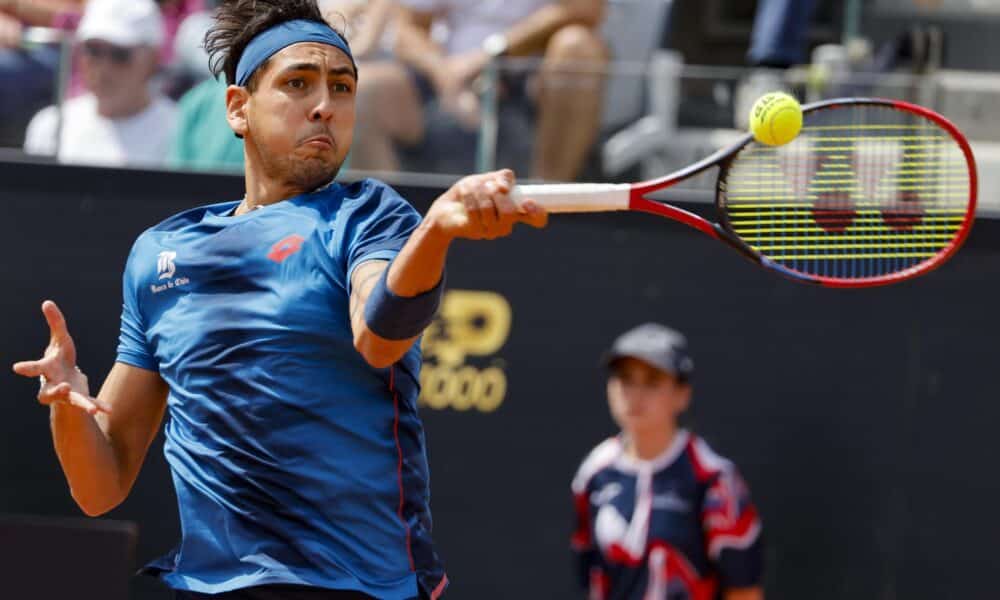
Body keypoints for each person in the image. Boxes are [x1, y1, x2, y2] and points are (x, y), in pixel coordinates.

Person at [11, 1, 546, 599]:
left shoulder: (367, 213)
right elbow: (100, 486)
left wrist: (435, 232)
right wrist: (67, 405)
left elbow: (380, 336)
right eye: (298, 83)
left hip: (359, 588)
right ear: (238, 108)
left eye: (342, 88)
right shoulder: (161, 255)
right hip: (211, 585)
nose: (325, 105)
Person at [571, 323, 764, 600]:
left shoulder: (712, 477)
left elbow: (744, 590)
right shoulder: (594, 472)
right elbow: (592, 577)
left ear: (682, 394)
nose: (635, 395)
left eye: (652, 382)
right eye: (625, 379)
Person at [349, 0, 608, 181]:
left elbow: (584, 9)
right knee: (364, 92)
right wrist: (446, 76)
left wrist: (491, 55)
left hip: (534, 80)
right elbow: (407, 30)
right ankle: (387, 232)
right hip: (445, 75)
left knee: (578, 49)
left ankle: (550, 206)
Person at [22, 0, 177, 167]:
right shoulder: (50, 125)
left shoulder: (180, 131)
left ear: (152, 59)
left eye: (120, 54)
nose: (103, 68)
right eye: (93, 50)